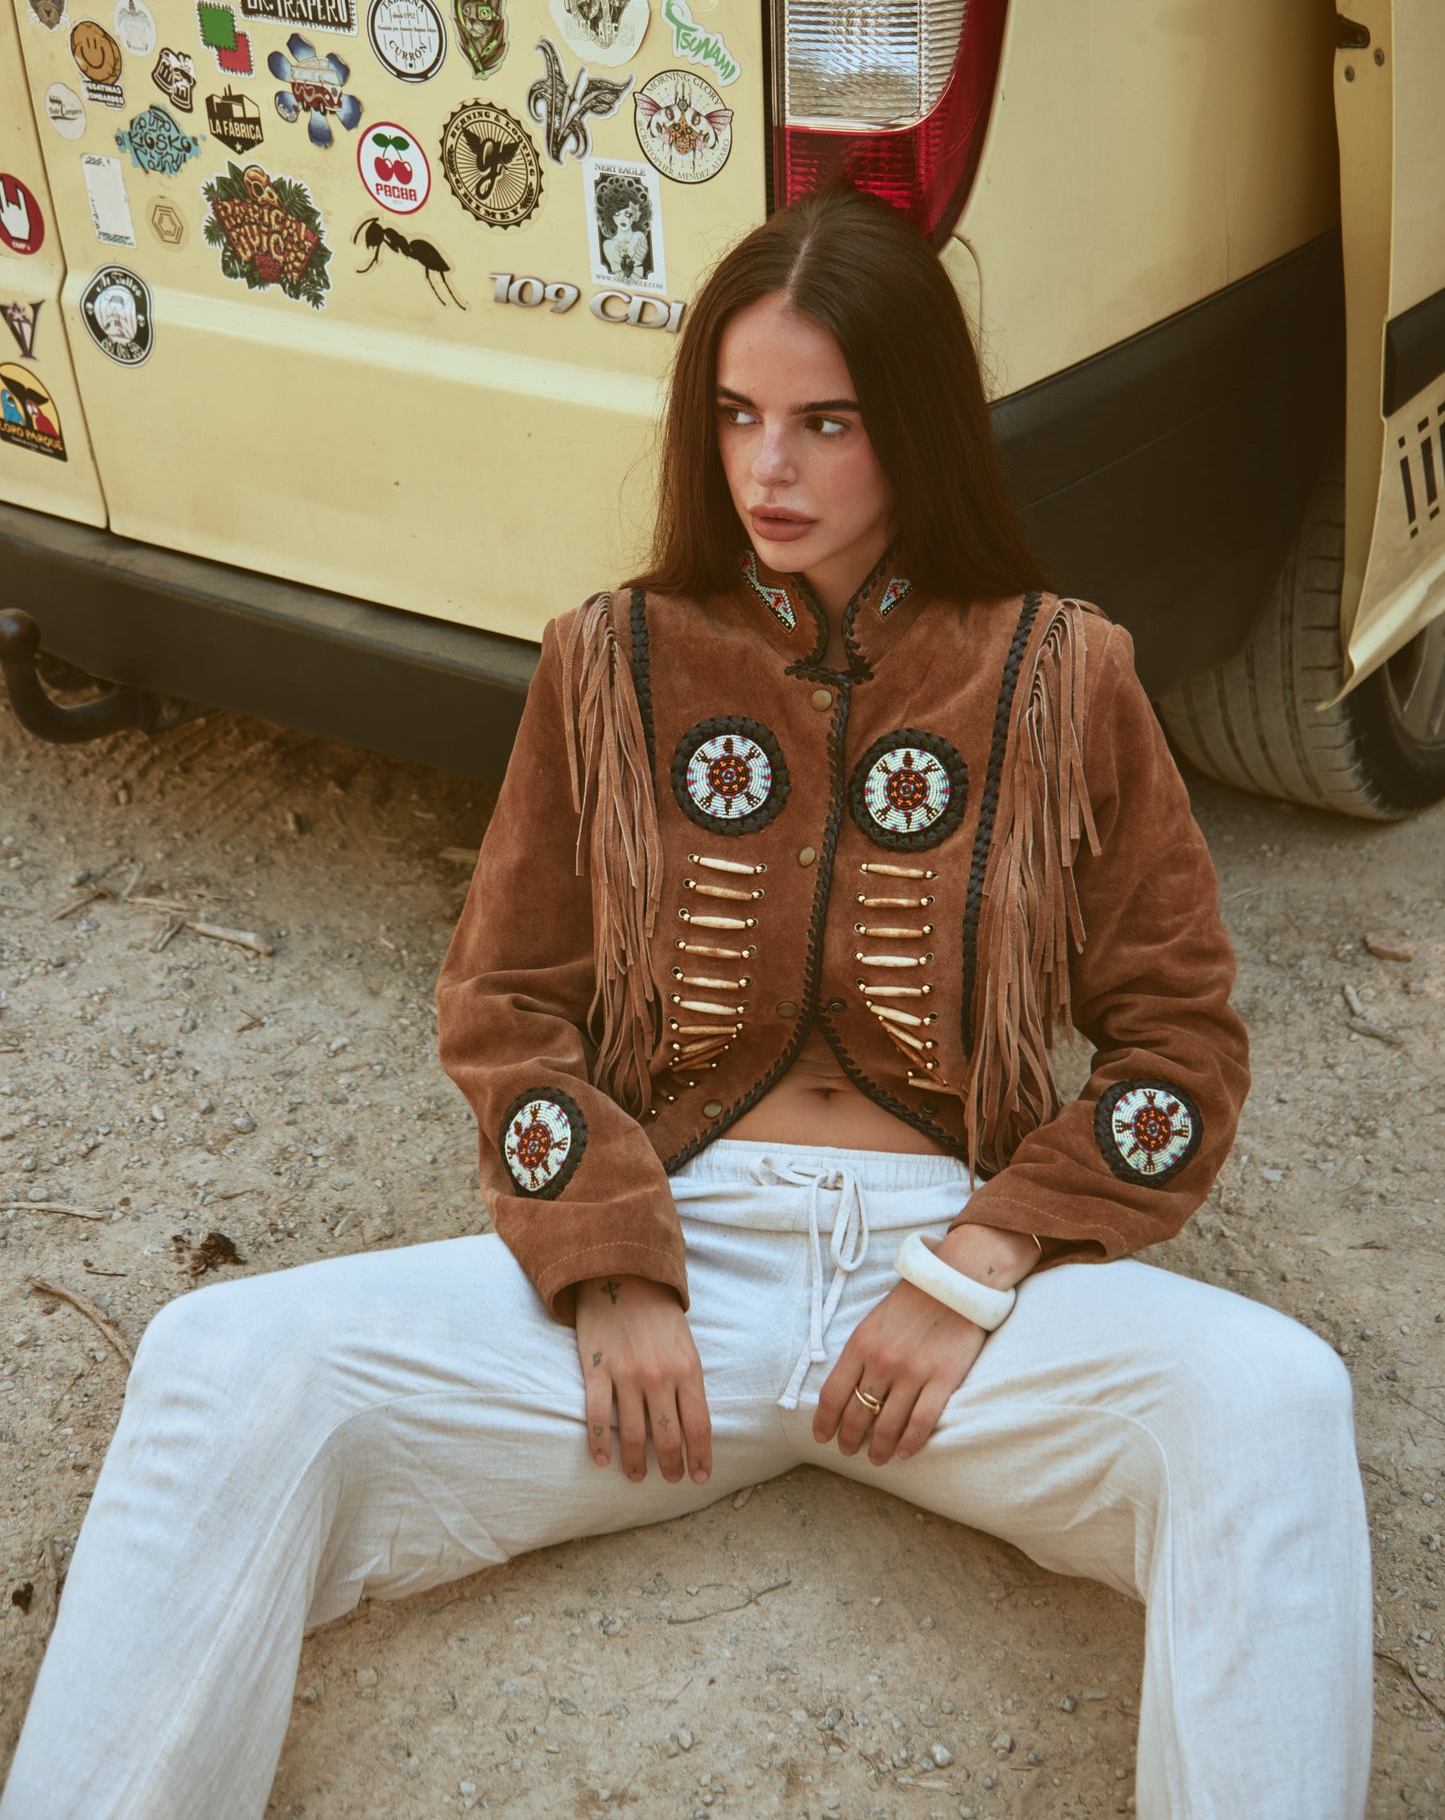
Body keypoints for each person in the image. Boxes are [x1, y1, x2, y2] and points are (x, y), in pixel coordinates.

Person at [0, 187, 1370, 1820]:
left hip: (951, 1306)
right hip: (674, 1266)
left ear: (916, 428)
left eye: (824, 422)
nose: (767, 469)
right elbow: (505, 999)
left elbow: (1178, 1041)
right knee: (223, 1359)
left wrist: (986, 1257)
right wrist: (609, 1263)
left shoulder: (1066, 671)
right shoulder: (611, 658)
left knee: (1272, 1400)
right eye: (735, 416)